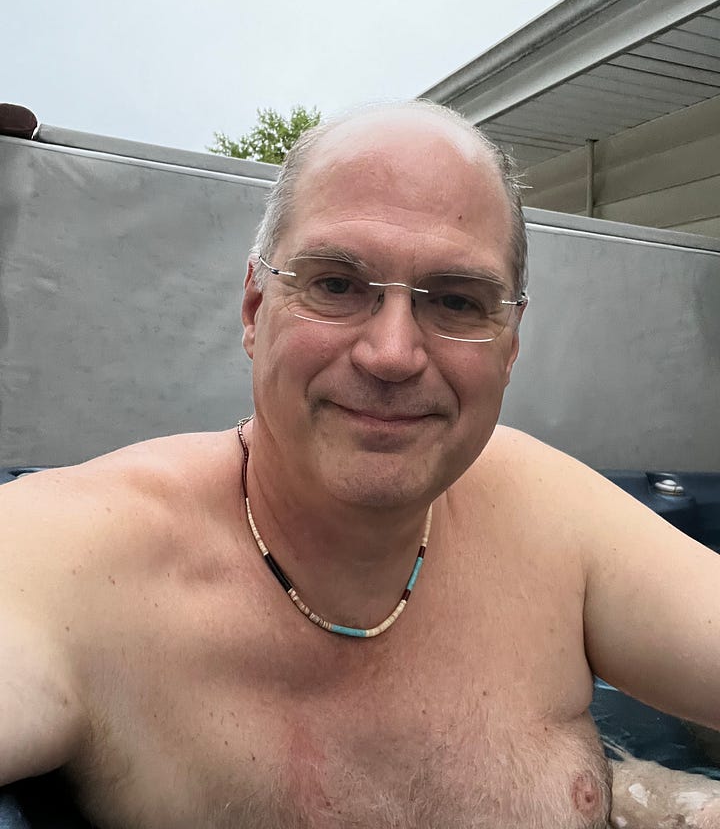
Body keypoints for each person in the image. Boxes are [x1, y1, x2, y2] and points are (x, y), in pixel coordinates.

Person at [1, 101, 719, 829]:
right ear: (255, 308)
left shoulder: (553, 516)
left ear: (510, 344)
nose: (393, 354)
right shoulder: (76, 561)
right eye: (337, 285)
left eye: (458, 301)